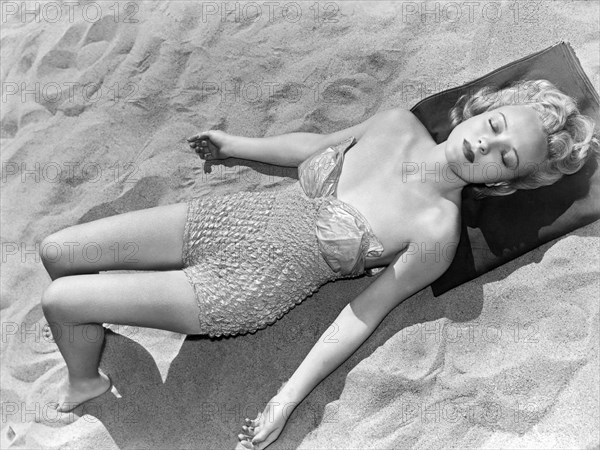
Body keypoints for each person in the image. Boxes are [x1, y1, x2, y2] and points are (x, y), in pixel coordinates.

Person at [39, 79, 597, 449]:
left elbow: (360, 314)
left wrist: (285, 400)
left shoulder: (436, 233)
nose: (486, 147)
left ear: (505, 180)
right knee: (57, 253)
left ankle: (85, 381)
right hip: (222, 220)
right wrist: (236, 144)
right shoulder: (396, 124)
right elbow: (316, 145)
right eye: (495, 126)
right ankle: (95, 322)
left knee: (60, 300)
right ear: (481, 110)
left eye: (507, 157)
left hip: (243, 287)